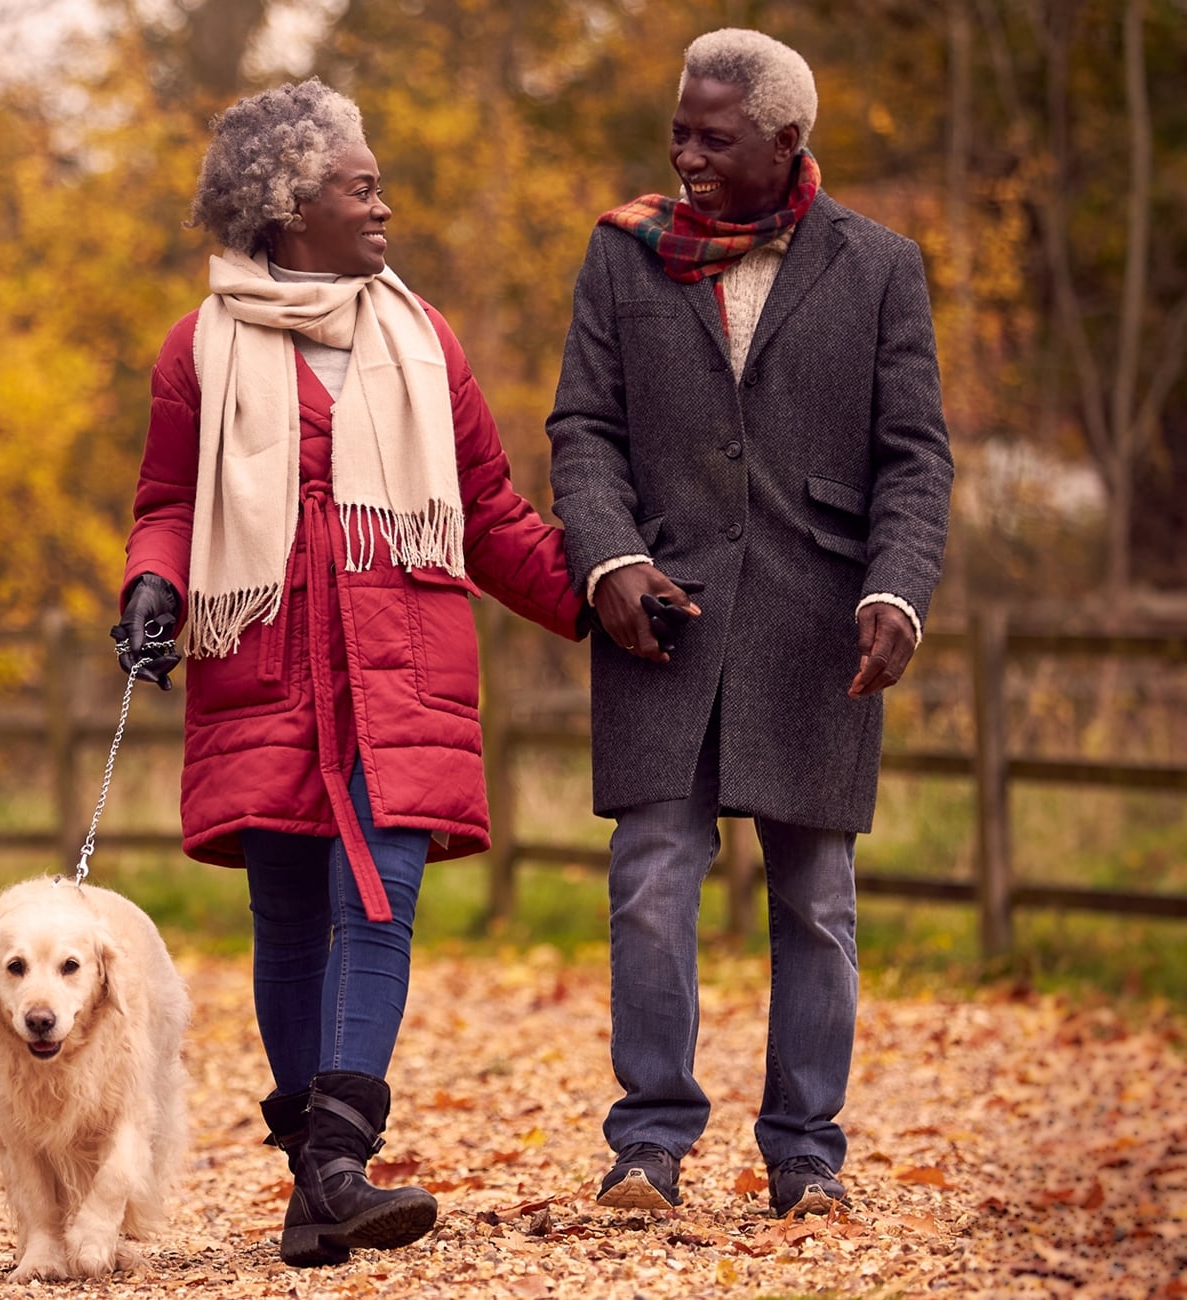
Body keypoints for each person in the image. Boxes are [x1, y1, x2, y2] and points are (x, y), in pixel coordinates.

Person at [113, 81, 584, 1268]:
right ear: (285, 208)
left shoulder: (423, 339)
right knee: (288, 917)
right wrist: (151, 585)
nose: (385, 205)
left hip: (396, 668)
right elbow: (168, 503)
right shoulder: (200, 348)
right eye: (359, 186)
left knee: (379, 900)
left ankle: (337, 1159)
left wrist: (594, 598)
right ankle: (324, 1187)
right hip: (263, 662)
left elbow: (484, 511)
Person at [548, 28, 952, 1220]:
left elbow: (915, 459)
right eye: (680, 127)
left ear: (786, 141)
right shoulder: (623, 255)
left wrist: (898, 592)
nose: (685, 153)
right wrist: (608, 555)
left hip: (818, 625)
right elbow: (582, 428)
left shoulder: (881, 267)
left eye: (713, 136)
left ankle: (806, 1154)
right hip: (659, 612)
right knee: (651, 881)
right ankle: (649, 1147)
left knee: (818, 902)